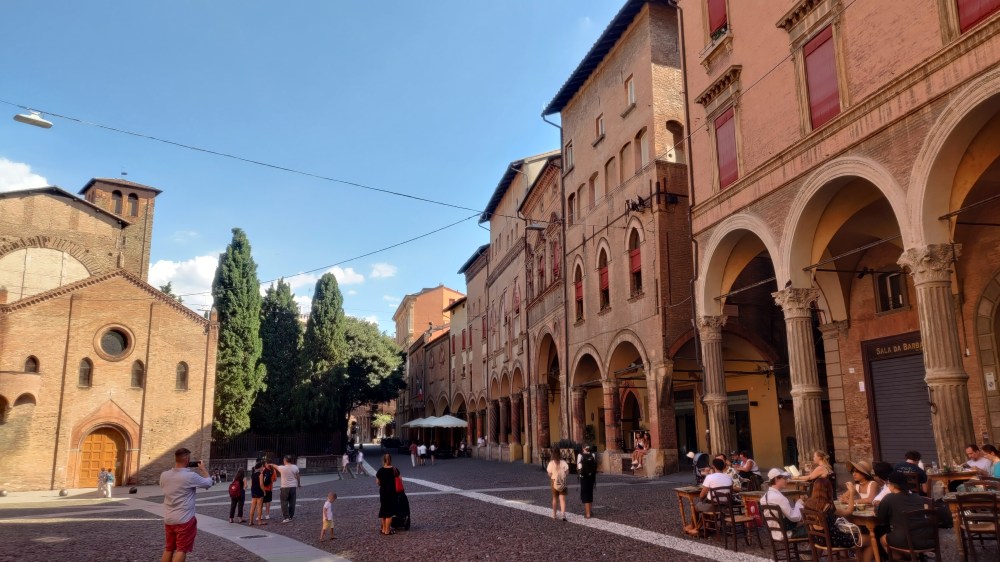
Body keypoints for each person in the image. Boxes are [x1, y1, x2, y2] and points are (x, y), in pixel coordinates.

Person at [159, 448, 214, 562]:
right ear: (188, 460)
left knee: (169, 548)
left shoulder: (164, 475)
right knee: (181, 549)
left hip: (169, 518)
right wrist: (203, 470)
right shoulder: (190, 476)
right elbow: (208, 483)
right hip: (184, 519)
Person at [803, 476, 874, 562]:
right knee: (870, 540)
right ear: (828, 490)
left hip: (818, 539)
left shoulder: (808, 504)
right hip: (833, 540)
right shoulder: (828, 506)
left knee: (855, 535)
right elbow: (848, 512)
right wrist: (851, 492)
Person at [875, 472, 935, 554]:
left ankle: (899, 559)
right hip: (928, 538)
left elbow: (881, 519)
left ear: (892, 485)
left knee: (882, 539)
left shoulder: (889, 498)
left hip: (908, 540)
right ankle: (911, 558)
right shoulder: (917, 497)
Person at [684, 458, 733, 536]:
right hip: (725, 506)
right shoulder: (728, 477)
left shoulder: (710, 477)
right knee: (706, 505)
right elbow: (731, 491)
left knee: (696, 507)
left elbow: (702, 495)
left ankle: (694, 527)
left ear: (713, 466)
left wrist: (703, 498)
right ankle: (697, 528)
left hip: (713, 506)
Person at [761, 468, 806, 540]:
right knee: (813, 528)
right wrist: (799, 503)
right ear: (776, 479)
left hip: (774, 531)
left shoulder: (764, 497)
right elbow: (794, 517)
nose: (787, 480)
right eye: (784, 478)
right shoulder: (779, 498)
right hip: (785, 532)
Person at [374, 454, 397, 535]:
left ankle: (383, 529)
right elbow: (399, 479)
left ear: (383, 460)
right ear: (390, 460)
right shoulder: (394, 469)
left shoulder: (380, 470)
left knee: (383, 509)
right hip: (392, 492)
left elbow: (377, 482)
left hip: (383, 492)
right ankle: (387, 531)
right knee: (390, 512)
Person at [276, 455, 301, 523]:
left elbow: (275, 466)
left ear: (285, 460)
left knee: (284, 502)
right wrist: (298, 484)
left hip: (284, 487)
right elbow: (298, 476)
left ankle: (286, 517)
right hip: (293, 487)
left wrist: (269, 464)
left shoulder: (282, 468)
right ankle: (290, 516)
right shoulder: (295, 467)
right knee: (292, 502)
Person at [546, 451, 570, 521]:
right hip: (562, 482)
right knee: (562, 499)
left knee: (554, 498)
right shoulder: (563, 462)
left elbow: (549, 473)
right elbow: (567, 471)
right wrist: (564, 475)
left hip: (554, 482)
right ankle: (563, 515)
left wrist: (553, 475)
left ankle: (554, 514)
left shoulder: (551, 463)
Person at [577, 445, 598, 519]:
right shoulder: (593, 455)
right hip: (591, 477)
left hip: (584, 477)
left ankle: (588, 514)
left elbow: (579, 467)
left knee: (585, 495)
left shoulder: (580, 455)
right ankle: (590, 511)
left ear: (583, 448)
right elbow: (595, 465)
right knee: (590, 493)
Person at [248, 462, 266, 526]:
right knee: (259, 506)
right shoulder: (260, 474)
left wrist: (252, 490)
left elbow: (251, 484)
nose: (263, 468)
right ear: (260, 467)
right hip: (259, 491)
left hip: (253, 491)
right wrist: (264, 491)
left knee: (252, 506)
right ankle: (259, 521)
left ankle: (250, 521)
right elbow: (261, 484)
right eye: (262, 467)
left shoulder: (253, 474)